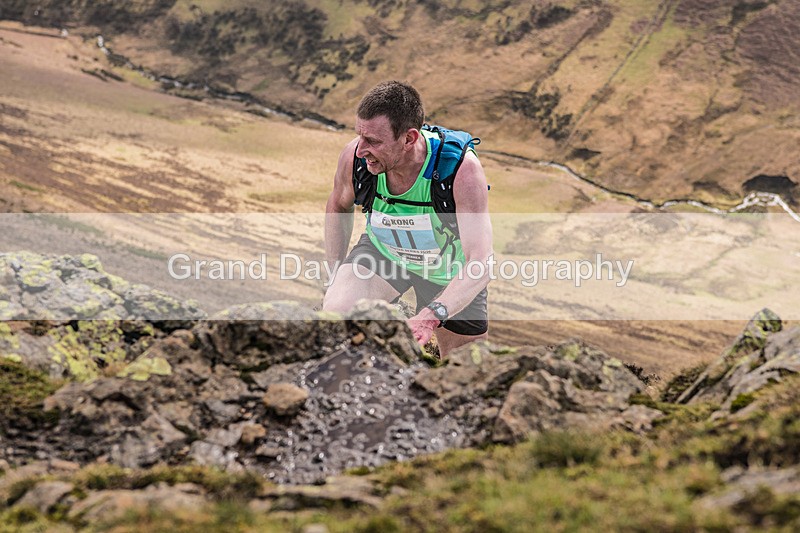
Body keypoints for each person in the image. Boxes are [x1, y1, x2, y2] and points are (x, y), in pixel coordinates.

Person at [323, 81, 492, 357]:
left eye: (374, 141)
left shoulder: (461, 171)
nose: (360, 149)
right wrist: (335, 274)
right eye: (360, 136)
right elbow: (338, 205)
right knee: (338, 317)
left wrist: (431, 315)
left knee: (467, 369)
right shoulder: (354, 158)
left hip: (448, 271)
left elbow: (481, 261)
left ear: (409, 138)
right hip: (383, 254)